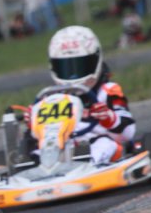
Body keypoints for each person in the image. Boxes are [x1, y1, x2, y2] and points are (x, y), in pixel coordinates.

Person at [40, 26, 136, 166]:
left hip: (103, 145)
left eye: (80, 66)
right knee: (39, 150)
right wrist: (34, 123)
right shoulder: (52, 99)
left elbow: (128, 132)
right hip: (64, 147)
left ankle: (88, 165)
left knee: (103, 143)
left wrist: (110, 118)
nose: (73, 76)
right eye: (65, 68)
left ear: (95, 62)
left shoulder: (108, 91)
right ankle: (34, 169)